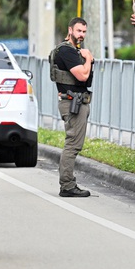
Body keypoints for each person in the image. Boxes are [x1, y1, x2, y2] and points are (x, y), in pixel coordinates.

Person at [50, 17, 94, 197]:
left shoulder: (72, 51)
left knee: (74, 143)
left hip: (76, 100)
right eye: (78, 31)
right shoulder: (67, 51)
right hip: (72, 102)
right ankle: (67, 186)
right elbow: (83, 76)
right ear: (70, 30)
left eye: (84, 31)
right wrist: (89, 59)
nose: (81, 35)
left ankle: (67, 183)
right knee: (73, 145)